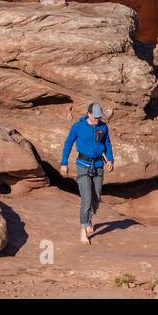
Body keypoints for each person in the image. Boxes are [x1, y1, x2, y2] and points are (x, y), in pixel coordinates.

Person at [59, 103, 115, 245]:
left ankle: (89, 218)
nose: (97, 119)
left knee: (96, 199)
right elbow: (68, 144)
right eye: (95, 117)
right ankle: (83, 231)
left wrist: (110, 159)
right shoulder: (78, 127)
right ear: (89, 114)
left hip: (98, 166)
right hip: (83, 166)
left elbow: (107, 144)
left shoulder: (103, 127)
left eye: (99, 117)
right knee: (86, 199)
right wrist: (64, 163)